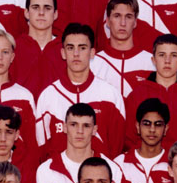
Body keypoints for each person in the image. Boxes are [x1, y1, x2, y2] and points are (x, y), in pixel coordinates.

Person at [35, 23, 126, 156]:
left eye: (82, 48)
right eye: (70, 48)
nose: (76, 54)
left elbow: (115, 151)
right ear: (63, 53)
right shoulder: (48, 96)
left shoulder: (110, 96)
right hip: (59, 175)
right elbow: (41, 150)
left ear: (92, 53)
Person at [36, 103, 123, 183]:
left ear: (94, 130)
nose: (80, 131)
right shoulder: (46, 171)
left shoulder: (113, 169)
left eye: (86, 126)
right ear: (64, 127)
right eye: (74, 125)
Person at [124, 34, 177, 152]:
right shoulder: (136, 96)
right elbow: (129, 140)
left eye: (174, 55)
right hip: (148, 165)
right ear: (153, 60)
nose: (167, 61)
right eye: (162, 55)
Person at [92, 0, 154, 99]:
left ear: (135, 22)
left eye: (128, 17)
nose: (123, 23)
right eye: (117, 16)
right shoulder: (94, 63)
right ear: (107, 21)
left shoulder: (151, 62)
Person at [114, 98, 173, 183]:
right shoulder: (120, 164)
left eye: (158, 124)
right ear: (137, 126)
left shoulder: (174, 163)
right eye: (146, 124)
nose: (152, 129)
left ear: (166, 129)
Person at [11, 0, 65, 98]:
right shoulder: (13, 48)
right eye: (35, 7)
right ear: (26, 13)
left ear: (55, 14)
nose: (41, 12)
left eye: (47, 8)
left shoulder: (66, 49)